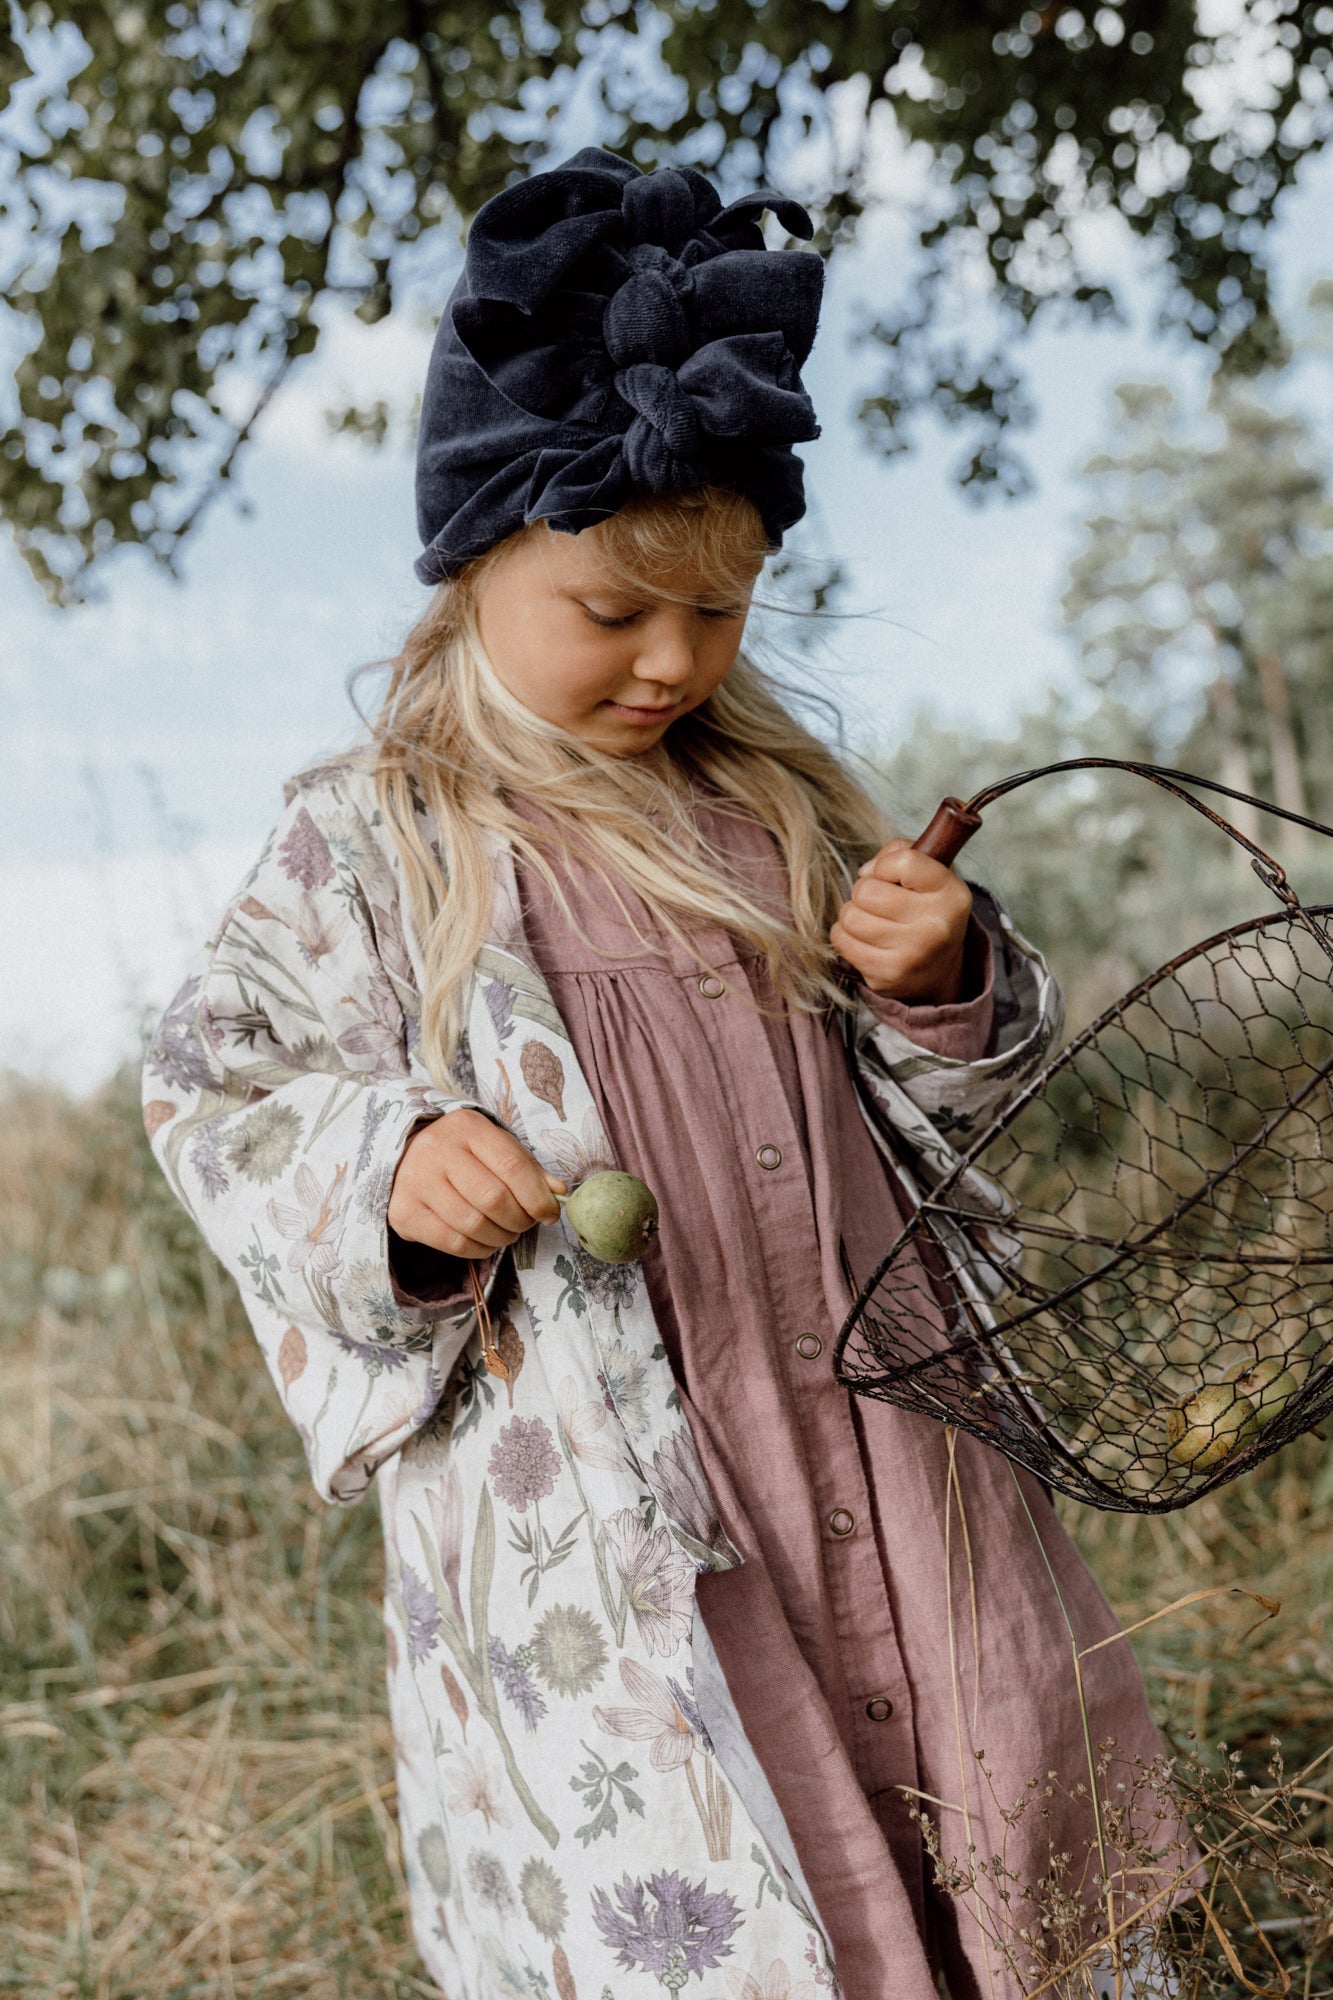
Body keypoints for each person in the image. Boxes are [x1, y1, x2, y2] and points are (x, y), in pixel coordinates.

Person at [144, 147, 1189, 2000]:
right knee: (743, 1862)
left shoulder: (783, 811)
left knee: (989, 1841)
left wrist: (939, 982)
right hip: (636, 1504)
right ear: (476, 568)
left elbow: (952, 1116)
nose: (669, 660)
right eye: (612, 612)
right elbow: (219, 1083)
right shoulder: (384, 842)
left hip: (891, 1439)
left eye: (715, 611)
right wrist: (389, 1165)